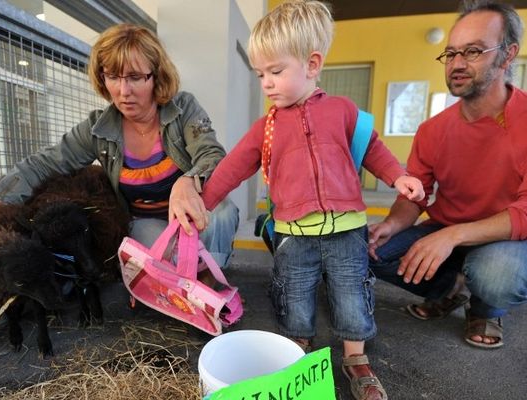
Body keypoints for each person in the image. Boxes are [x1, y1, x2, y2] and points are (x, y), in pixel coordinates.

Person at [201, 2, 424, 399]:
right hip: (292, 232)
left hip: (347, 229)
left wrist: (399, 176)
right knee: (293, 290)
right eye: (260, 74)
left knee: (352, 290)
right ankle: (295, 350)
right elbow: (232, 168)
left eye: (276, 71)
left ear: (312, 64)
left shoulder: (342, 111)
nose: (266, 83)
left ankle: (356, 357)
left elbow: (373, 148)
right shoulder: (265, 127)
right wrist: (204, 202)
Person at [0, 24, 239, 276]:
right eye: (113, 77)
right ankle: (179, 282)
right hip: (148, 221)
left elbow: (212, 154)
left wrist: (188, 180)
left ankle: (208, 282)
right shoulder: (97, 129)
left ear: (156, 76)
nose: (123, 91)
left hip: (193, 209)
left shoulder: (184, 108)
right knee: (156, 258)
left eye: (135, 77)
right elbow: (41, 164)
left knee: (223, 212)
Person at [368, 0, 527, 351]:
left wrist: (454, 236)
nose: (456, 64)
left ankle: (485, 307)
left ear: (507, 54)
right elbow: (416, 196)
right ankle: (451, 288)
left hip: (506, 237)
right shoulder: (432, 130)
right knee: (369, 252)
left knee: (496, 274)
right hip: (445, 228)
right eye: (451, 53)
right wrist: (391, 226)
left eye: (472, 51)